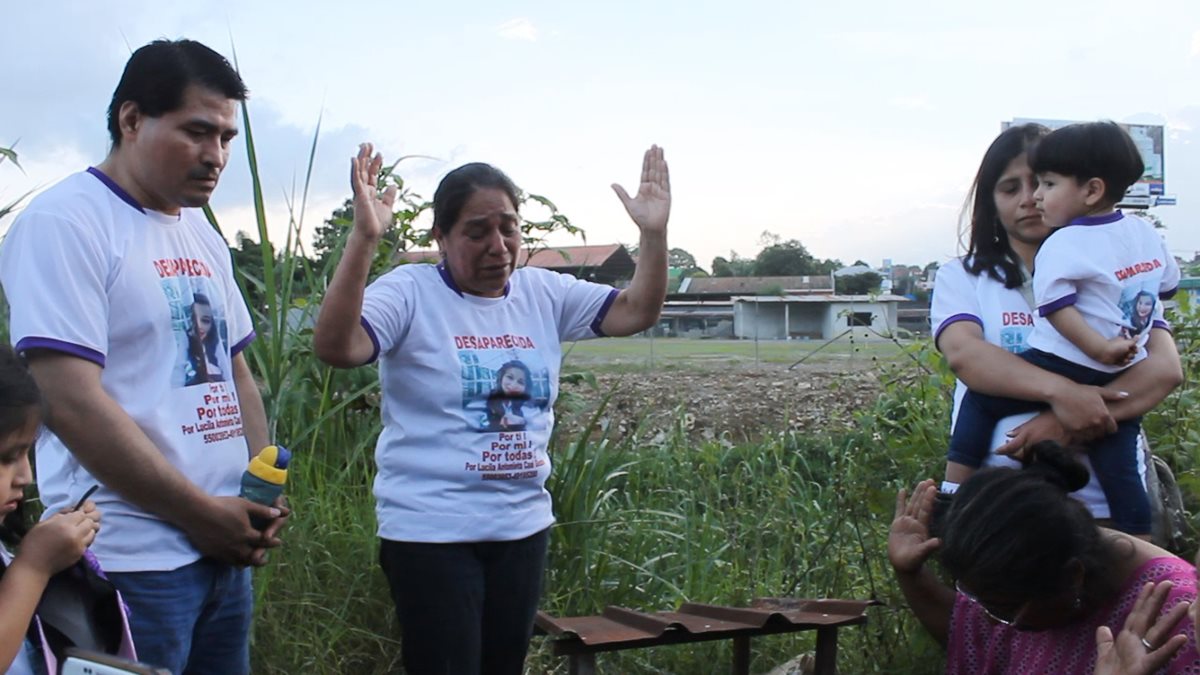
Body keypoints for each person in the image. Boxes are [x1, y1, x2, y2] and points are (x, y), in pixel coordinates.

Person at [313, 142, 671, 673]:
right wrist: (365, 239)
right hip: (431, 533)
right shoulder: (409, 292)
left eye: (508, 227)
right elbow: (338, 348)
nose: (498, 246)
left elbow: (637, 310)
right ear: (441, 238)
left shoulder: (541, 293)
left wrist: (654, 234)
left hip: (521, 529)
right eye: (476, 232)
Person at [0, 39, 287, 674]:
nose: (216, 157)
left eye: (226, 139)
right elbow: (69, 399)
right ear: (132, 120)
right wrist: (201, 514)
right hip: (131, 558)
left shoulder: (199, 235)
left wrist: (257, 494)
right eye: (197, 132)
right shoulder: (67, 223)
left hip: (221, 551)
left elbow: (236, 372)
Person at [930, 123, 1183, 529]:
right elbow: (968, 357)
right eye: (1011, 188)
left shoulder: (1119, 273)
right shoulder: (962, 277)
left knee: (1127, 576)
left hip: (1100, 507)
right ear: (990, 202)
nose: (1031, 199)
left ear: (1087, 188)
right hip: (997, 511)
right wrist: (1064, 394)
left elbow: (1165, 369)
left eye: (1043, 182)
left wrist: (1065, 421)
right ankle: (951, 504)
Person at [888, 443, 1200, 674]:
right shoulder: (1035, 578)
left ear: (1073, 577)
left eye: (1005, 611)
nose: (989, 621)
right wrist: (910, 574)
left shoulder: (1178, 614)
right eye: (975, 600)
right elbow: (976, 643)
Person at [184, 293, 226, 385]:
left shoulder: (216, 355)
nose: (199, 326)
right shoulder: (181, 357)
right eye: (193, 318)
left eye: (205, 321)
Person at [484, 360, 533, 431]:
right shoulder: (485, 399)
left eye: (520, 382)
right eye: (510, 377)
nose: (513, 385)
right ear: (501, 377)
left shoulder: (523, 406)